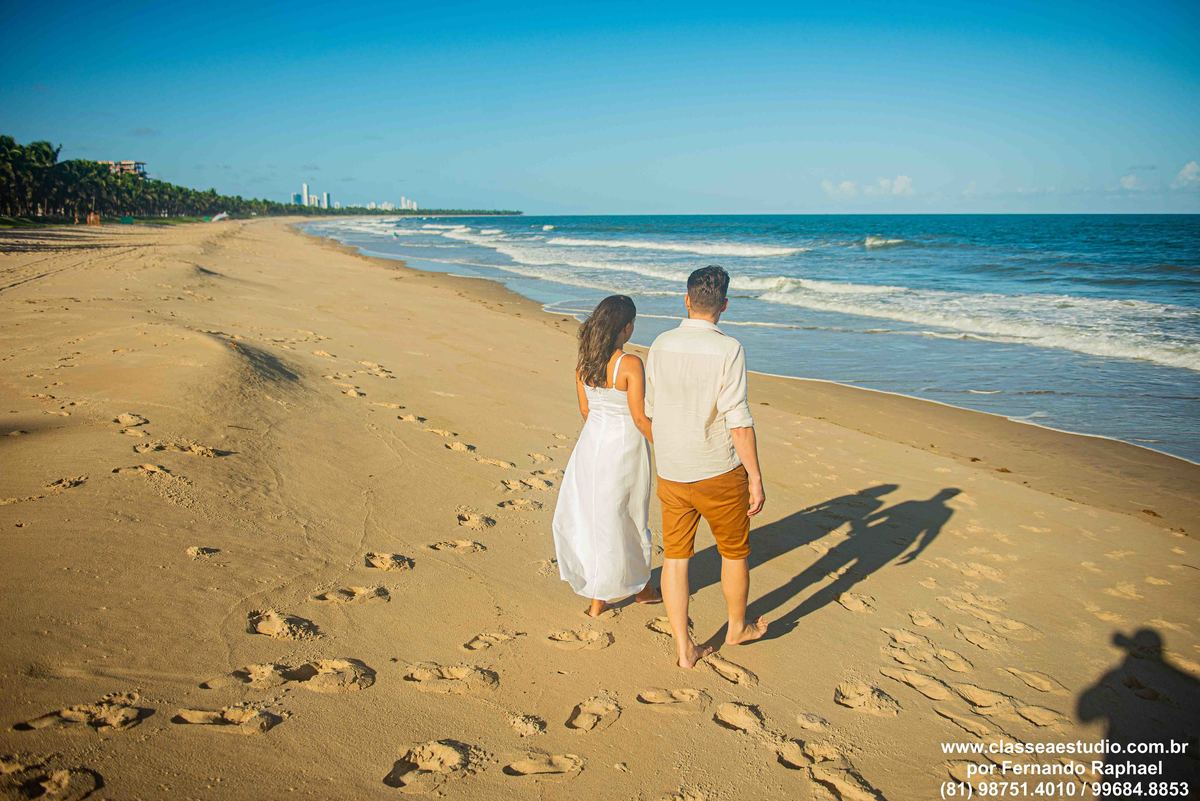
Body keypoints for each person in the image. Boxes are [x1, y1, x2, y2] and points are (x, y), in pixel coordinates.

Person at [646, 265, 767, 668]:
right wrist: (755, 476)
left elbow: (650, 409)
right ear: (725, 305)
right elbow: (738, 419)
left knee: (677, 557)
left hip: (672, 469)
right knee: (733, 554)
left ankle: (684, 648)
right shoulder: (728, 348)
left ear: (687, 299)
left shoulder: (660, 343)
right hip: (718, 469)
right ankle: (736, 627)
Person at [553, 295, 662, 617]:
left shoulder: (584, 364)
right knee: (628, 517)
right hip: (624, 447)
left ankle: (638, 587)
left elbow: (586, 411)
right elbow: (640, 419)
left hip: (590, 446)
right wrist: (669, 451)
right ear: (626, 327)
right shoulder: (629, 364)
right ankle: (613, 594)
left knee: (596, 516)